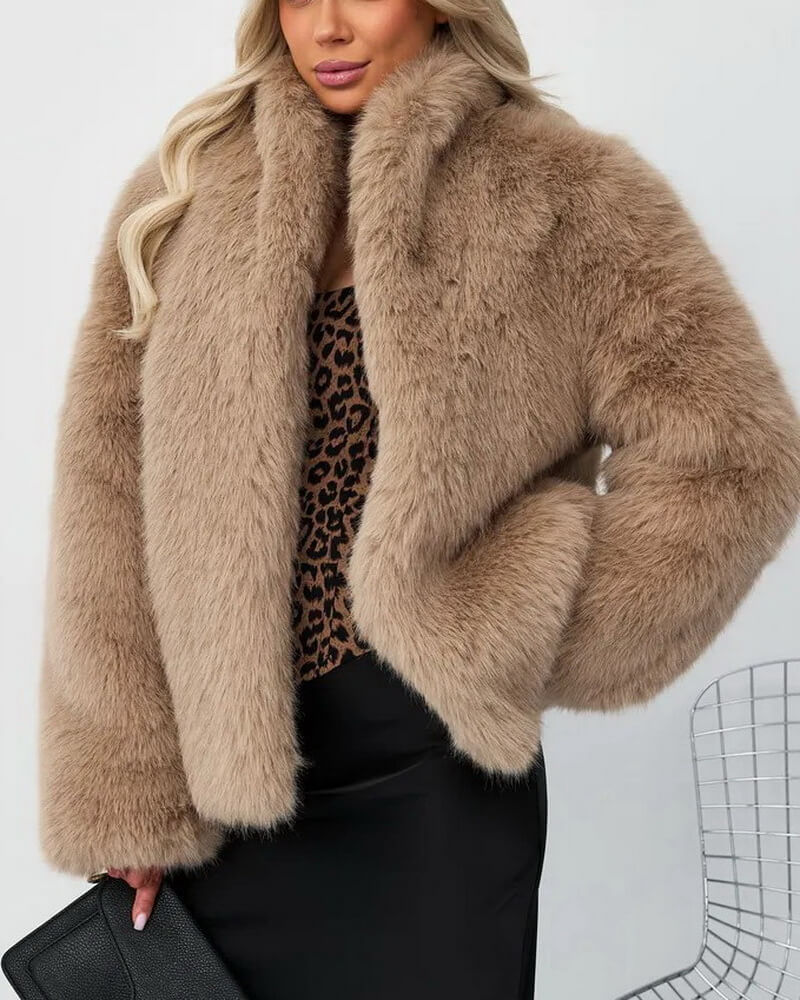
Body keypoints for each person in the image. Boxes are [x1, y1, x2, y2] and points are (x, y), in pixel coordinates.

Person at [37, 1, 800, 997]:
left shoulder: (564, 190)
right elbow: (102, 500)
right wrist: (127, 796)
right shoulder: (184, 195)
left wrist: (528, 615)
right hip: (225, 811)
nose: (327, 27)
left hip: (437, 805)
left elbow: (734, 455)